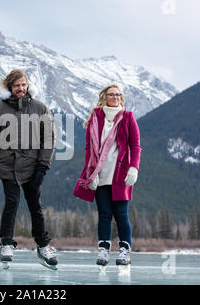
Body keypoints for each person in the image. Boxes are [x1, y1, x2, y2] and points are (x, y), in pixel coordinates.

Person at [0, 69, 58, 269]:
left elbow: (48, 140)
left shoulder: (40, 108)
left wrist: (42, 166)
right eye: (16, 86)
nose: (21, 88)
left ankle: (43, 246)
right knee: (11, 202)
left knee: (35, 206)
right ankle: (6, 243)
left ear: (28, 85)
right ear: (9, 88)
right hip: (7, 164)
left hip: (32, 166)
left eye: (23, 84)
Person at [73, 83, 141, 267]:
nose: (115, 97)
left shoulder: (128, 117)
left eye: (118, 94)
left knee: (121, 214)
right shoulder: (95, 118)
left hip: (121, 174)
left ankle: (125, 252)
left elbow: (135, 146)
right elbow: (89, 149)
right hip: (100, 174)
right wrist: (90, 173)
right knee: (104, 214)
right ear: (105, 97)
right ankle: (103, 251)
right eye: (111, 94)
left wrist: (134, 168)